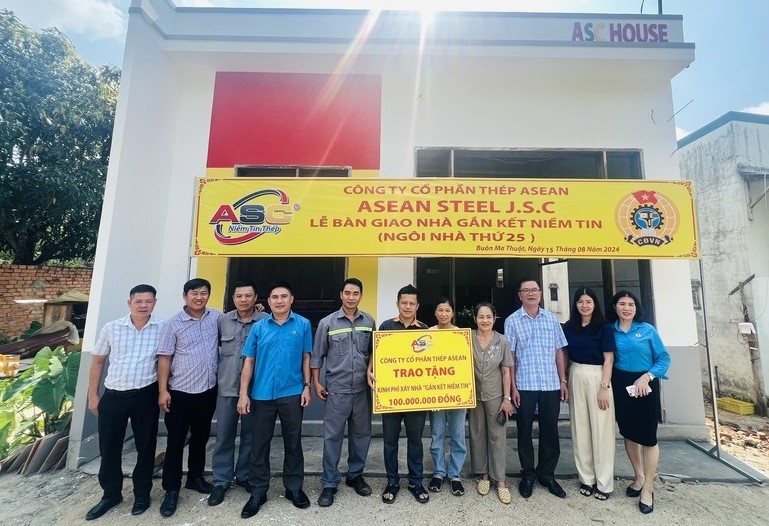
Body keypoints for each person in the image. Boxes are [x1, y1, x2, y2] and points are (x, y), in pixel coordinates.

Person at [85, 284, 163, 520]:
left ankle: (142, 493)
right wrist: (93, 395)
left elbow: (164, 362)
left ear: (154, 303)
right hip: (114, 395)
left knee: (146, 446)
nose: (143, 305)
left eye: (148, 301)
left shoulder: (162, 328)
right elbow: (98, 361)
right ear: (129, 302)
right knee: (109, 447)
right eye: (138, 301)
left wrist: (162, 392)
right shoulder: (112, 328)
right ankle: (111, 494)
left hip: (145, 395)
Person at [237, 281, 313, 518]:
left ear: (292, 299)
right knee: (259, 444)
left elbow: (306, 358)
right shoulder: (259, 327)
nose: (279, 301)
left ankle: (294, 487)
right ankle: (259, 490)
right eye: (274, 297)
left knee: (293, 441)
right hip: (261, 394)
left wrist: (307, 387)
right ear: (268, 302)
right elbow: (249, 361)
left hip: (291, 392)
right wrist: (243, 394)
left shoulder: (302, 325)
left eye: (284, 296)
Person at [157, 278, 222, 517]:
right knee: (175, 442)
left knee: (201, 437)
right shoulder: (172, 324)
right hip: (180, 392)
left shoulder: (216, 318)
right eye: (194, 293)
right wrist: (163, 391)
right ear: (185, 296)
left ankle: (195, 477)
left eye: (204, 293)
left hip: (207, 390)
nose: (199, 297)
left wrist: (257, 309)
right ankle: (171, 489)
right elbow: (164, 358)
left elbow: (239, 320)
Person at [311, 278, 377, 507]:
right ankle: (329, 483)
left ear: (361, 296)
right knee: (332, 437)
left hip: (361, 390)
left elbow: (375, 354)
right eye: (347, 293)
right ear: (341, 295)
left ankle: (355, 476)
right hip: (336, 391)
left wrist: (370, 372)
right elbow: (317, 356)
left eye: (355, 293)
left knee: (361, 435)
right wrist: (316, 383)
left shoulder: (369, 321)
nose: (351, 297)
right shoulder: (327, 323)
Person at [504, 277, 569, 500]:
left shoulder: (552, 319)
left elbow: (559, 351)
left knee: (550, 430)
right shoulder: (512, 321)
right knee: (524, 432)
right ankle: (528, 474)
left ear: (540, 294)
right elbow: (510, 357)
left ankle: (547, 474)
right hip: (524, 385)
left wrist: (563, 380)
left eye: (535, 290)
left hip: (551, 384)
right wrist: (512, 388)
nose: (531, 293)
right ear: (520, 295)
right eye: (526, 290)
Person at [607, 290, 670, 515]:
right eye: (622, 304)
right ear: (615, 307)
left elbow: (664, 358)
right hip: (621, 384)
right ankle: (639, 476)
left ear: (636, 308)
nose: (626, 308)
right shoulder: (610, 330)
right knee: (628, 432)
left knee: (648, 437)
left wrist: (648, 376)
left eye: (630, 304)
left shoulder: (647, 330)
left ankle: (649, 489)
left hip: (645, 384)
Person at [208, 280, 267, 506]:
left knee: (251, 435)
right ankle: (221, 480)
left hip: (256, 389)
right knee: (224, 434)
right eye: (239, 296)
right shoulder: (222, 321)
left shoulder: (265, 320)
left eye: (248, 296)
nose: (243, 299)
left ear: (255, 298)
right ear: (233, 298)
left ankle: (244, 475)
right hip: (227, 387)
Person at [376, 284, 430, 505]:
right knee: (390, 440)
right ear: (397, 304)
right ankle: (392, 481)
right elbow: (378, 357)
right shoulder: (386, 326)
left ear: (417, 305)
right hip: (391, 396)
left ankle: (416, 481)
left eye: (412, 303)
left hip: (416, 396)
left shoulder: (424, 330)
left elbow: (431, 364)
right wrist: (372, 370)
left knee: (415, 440)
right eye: (404, 302)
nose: (407, 306)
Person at [562, 287, 616, 501]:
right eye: (580, 302)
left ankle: (604, 482)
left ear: (595, 304)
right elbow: (564, 354)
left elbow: (609, 359)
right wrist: (563, 380)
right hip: (576, 372)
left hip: (598, 376)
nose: (584, 305)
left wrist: (604, 386)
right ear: (575, 305)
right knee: (580, 427)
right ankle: (586, 478)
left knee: (601, 429)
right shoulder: (569, 327)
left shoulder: (604, 328)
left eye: (588, 302)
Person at [468, 302, 514, 505]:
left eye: (488, 317)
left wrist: (507, 398)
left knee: (497, 437)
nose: (484, 320)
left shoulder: (502, 341)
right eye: (480, 317)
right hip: (473, 395)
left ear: (495, 319)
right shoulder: (466, 339)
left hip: (496, 395)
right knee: (478, 434)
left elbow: (506, 371)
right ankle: (484, 475)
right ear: (474, 319)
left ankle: (501, 481)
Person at [427, 297, 468, 497]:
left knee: (458, 433)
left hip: (457, 393)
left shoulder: (461, 335)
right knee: (437, 433)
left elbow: (464, 366)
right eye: (440, 310)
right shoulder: (428, 334)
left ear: (453, 313)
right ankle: (438, 471)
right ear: (435, 312)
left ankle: (455, 474)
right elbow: (422, 365)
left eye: (447, 310)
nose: (444, 314)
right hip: (435, 394)